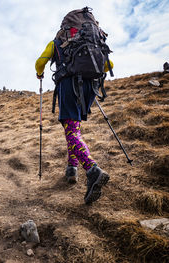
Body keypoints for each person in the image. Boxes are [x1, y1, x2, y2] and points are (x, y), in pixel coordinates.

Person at [35, 7, 113, 204]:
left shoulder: (57, 42)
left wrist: (39, 73)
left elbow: (39, 62)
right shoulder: (92, 40)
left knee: (71, 131)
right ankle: (72, 169)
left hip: (69, 86)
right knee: (74, 128)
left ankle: (92, 169)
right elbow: (107, 66)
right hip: (89, 87)